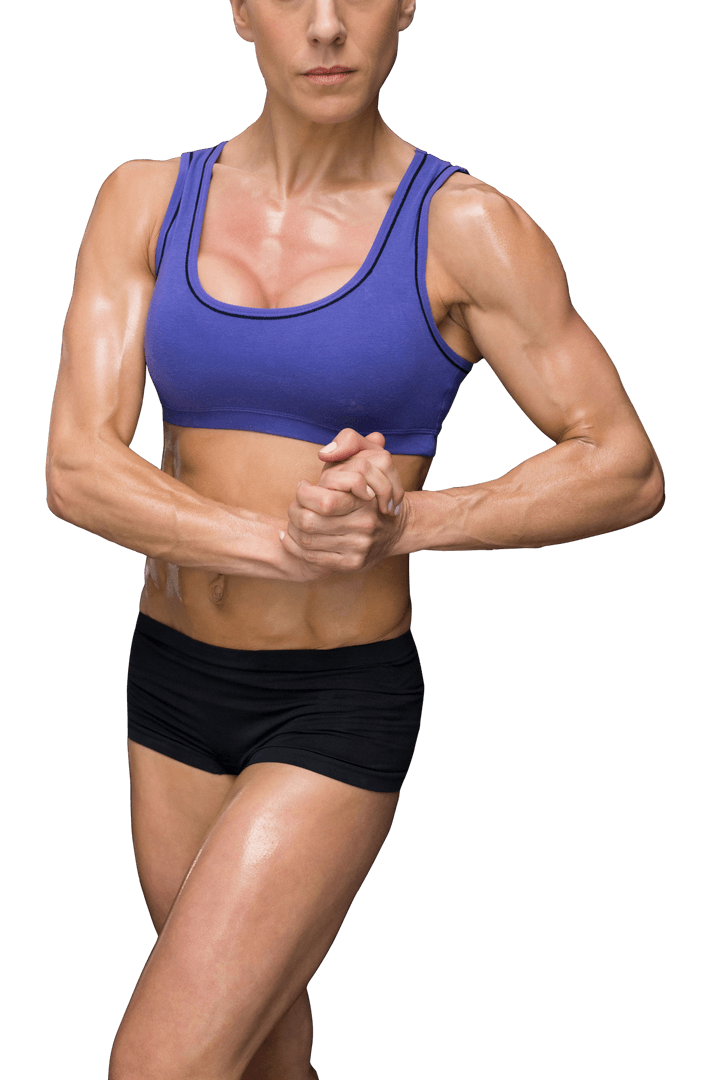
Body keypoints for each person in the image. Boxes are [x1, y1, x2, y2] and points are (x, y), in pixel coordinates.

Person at [45, 1, 664, 1077]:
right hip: (171, 686)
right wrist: (272, 544)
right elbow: (75, 469)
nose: (326, 25)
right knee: (264, 1050)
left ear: (406, 5)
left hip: (332, 707)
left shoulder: (465, 227)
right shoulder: (143, 199)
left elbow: (623, 465)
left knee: (161, 1065)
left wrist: (413, 522)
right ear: (241, 10)